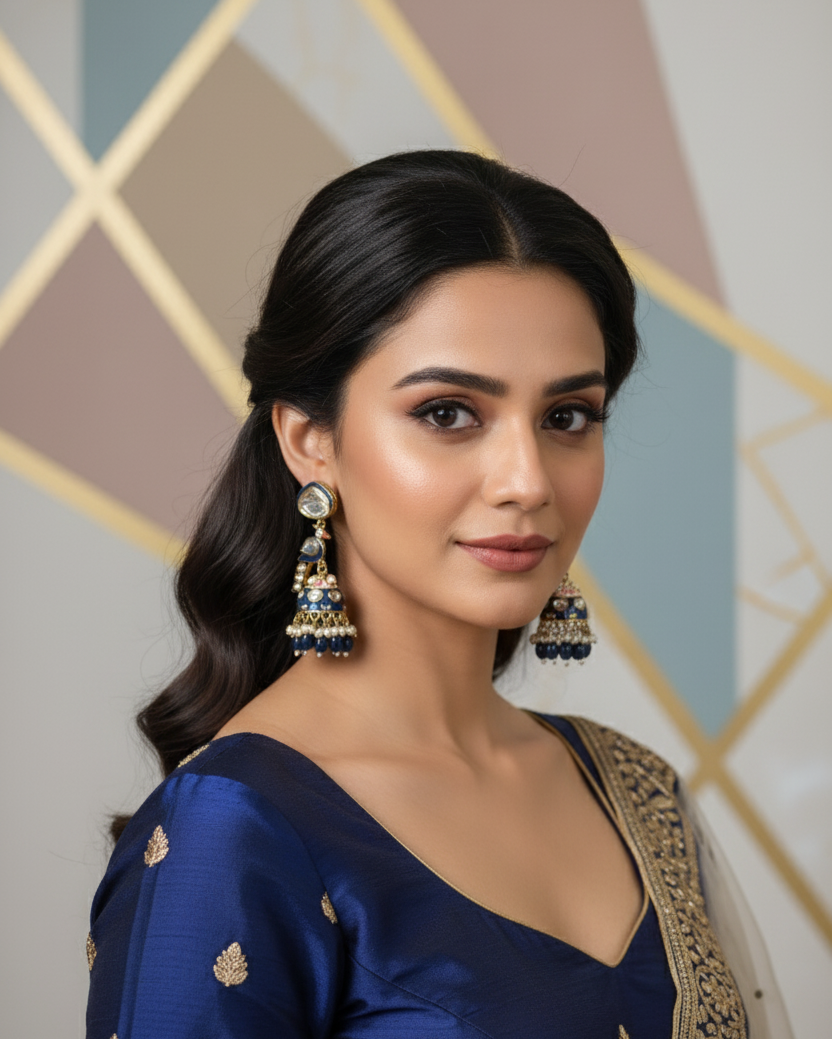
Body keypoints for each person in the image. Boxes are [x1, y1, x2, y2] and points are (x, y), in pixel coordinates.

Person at [85, 151, 787, 1039]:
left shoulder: (633, 789)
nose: (528, 480)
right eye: (448, 413)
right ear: (309, 441)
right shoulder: (231, 828)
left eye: (567, 416)